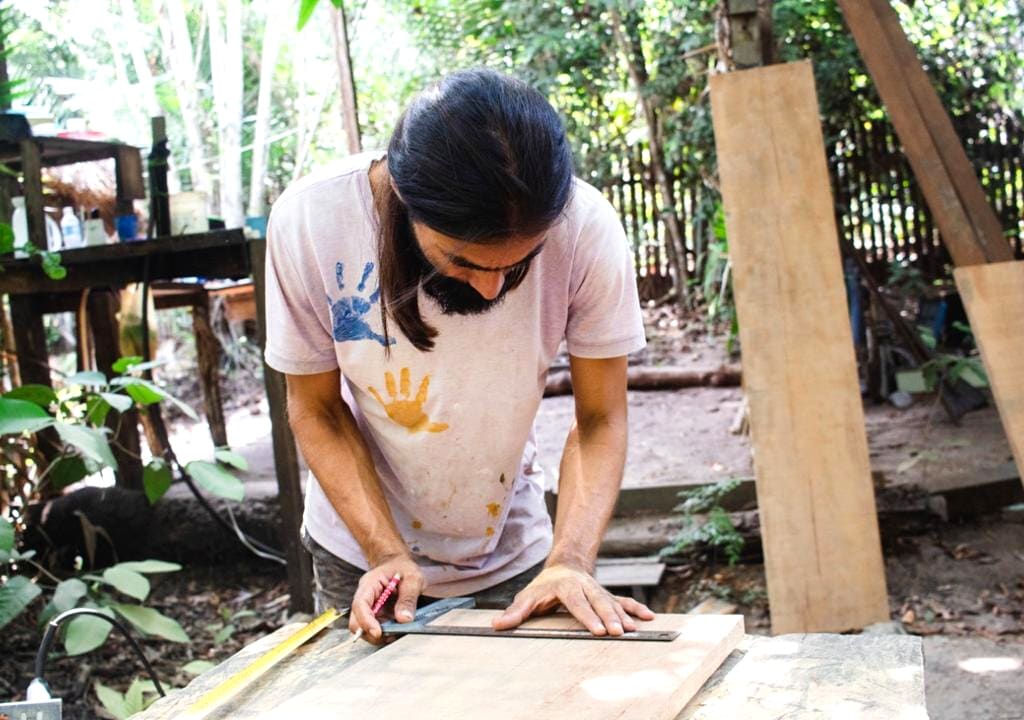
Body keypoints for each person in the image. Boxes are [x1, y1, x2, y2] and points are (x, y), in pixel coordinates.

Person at [264, 68, 654, 642]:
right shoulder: (312, 221)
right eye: (465, 261)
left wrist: (570, 559)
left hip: (514, 554)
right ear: (402, 195)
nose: (495, 289)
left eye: (521, 260)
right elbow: (315, 409)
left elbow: (600, 419)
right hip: (360, 549)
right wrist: (384, 551)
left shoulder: (586, 227)